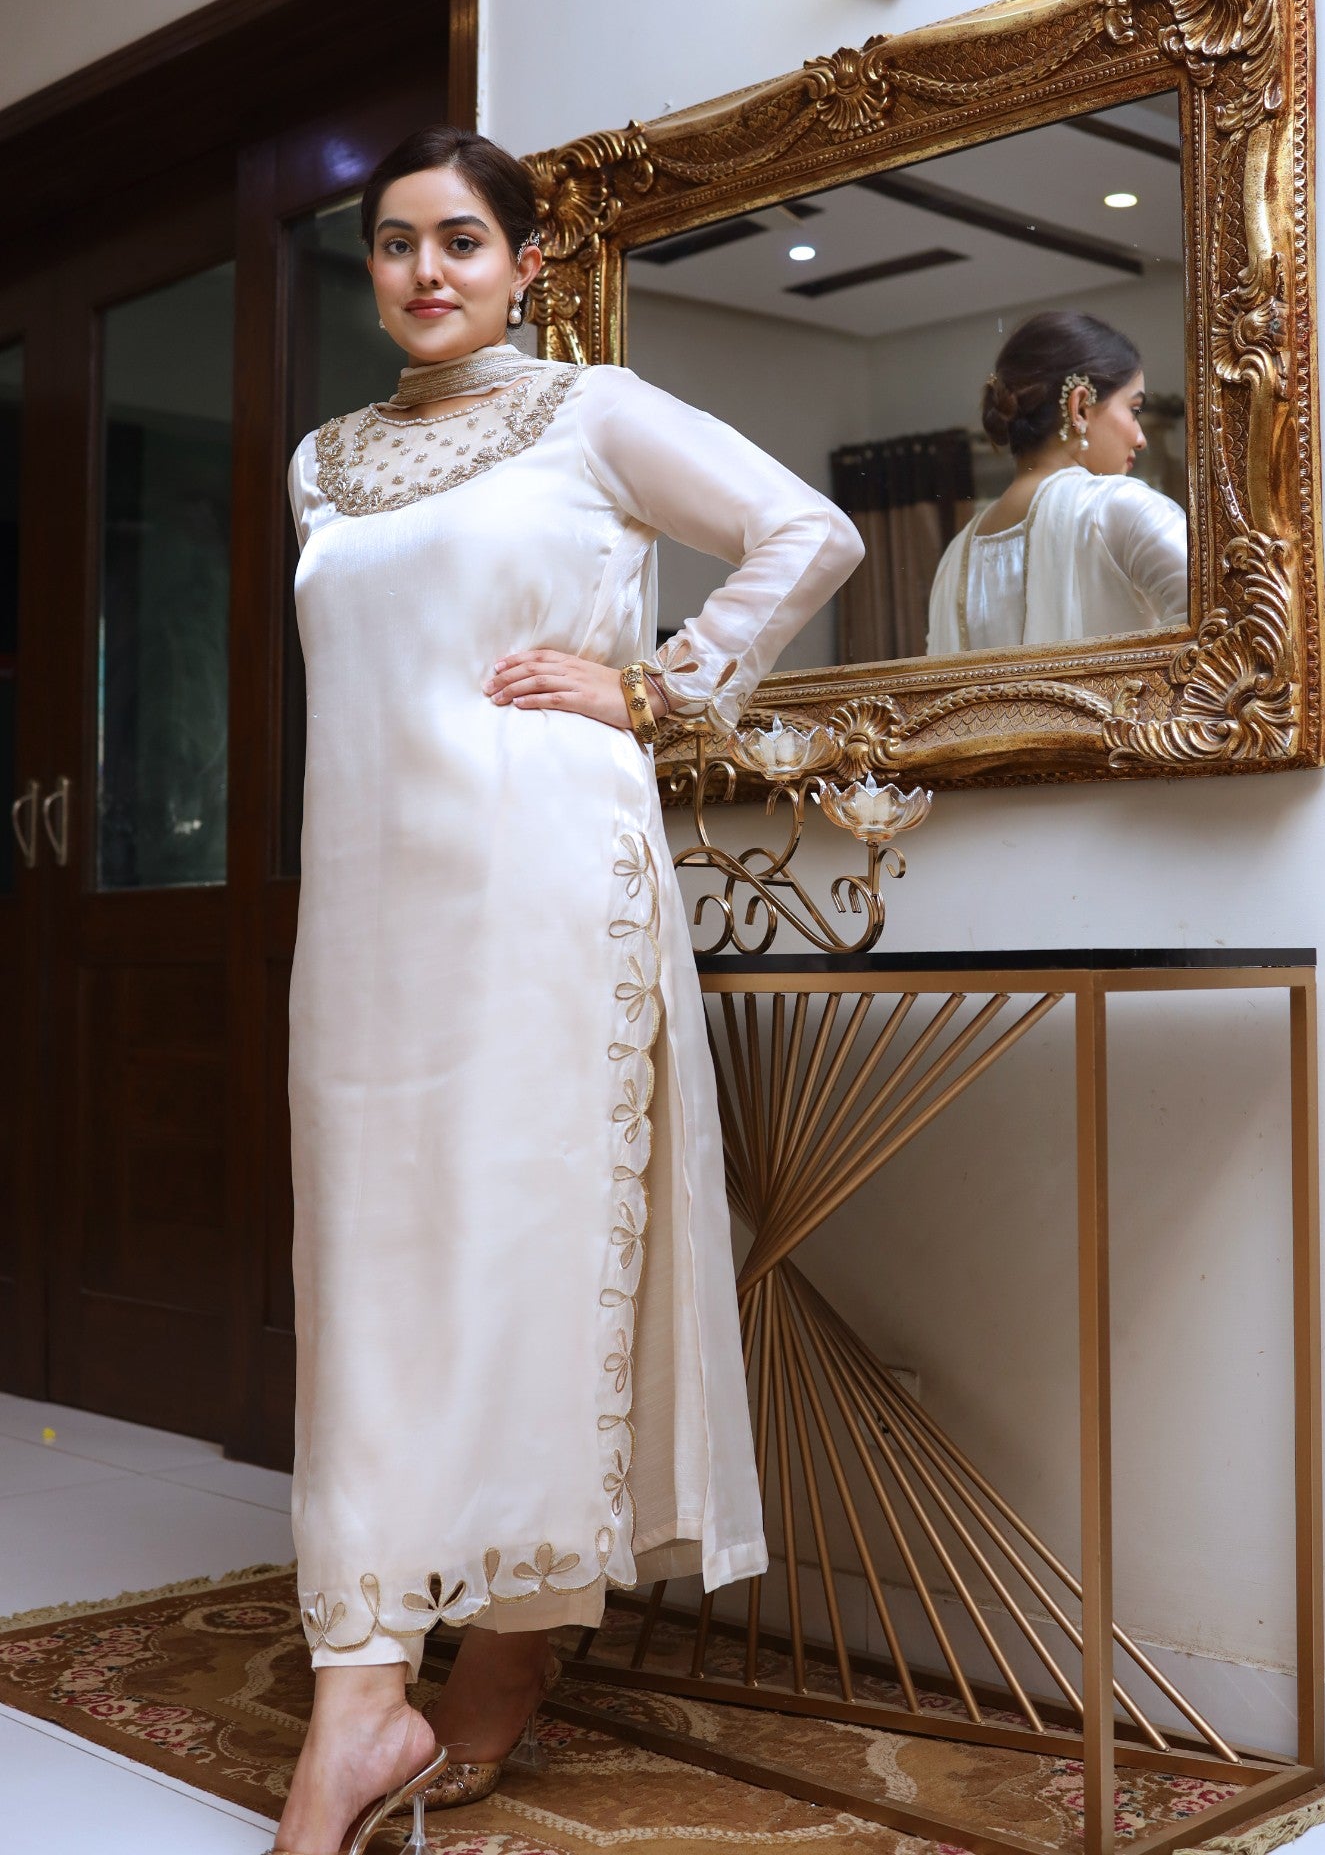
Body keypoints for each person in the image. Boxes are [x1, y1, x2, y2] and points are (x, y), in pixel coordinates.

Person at [271, 125, 863, 1855]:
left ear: (529, 263)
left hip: (546, 884)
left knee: (531, 1246)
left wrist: (661, 685)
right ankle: (367, 1670)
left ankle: (472, 1664)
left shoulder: (591, 412)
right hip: (370, 905)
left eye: (462, 240)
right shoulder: (324, 464)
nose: (425, 270)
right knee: (368, 1272)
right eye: (393, 245)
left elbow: (803, 530)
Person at [926, 311, 1188, 653]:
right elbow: (1220, 635)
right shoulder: (1118, 509)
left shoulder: (954, 558)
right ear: (1079, 407)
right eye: (1134, 409)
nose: (1141, 439)